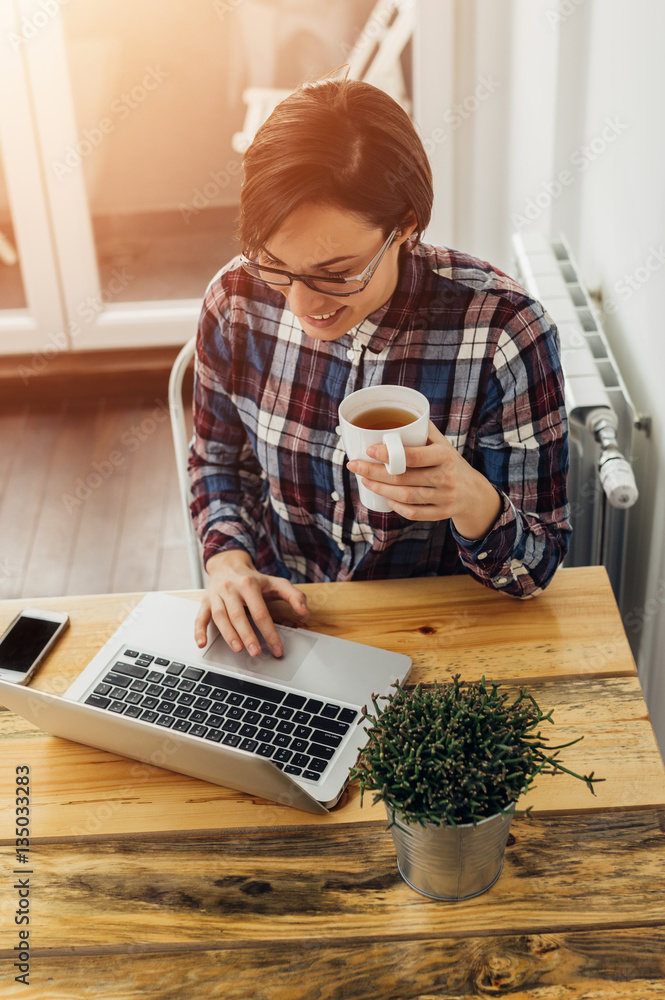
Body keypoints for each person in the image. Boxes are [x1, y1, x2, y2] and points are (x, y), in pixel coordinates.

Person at [189, 76, 571, 658]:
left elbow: (533, 569)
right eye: (275, 264)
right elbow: (218, 461)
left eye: (337, 273)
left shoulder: (503, 332)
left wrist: (473, 501)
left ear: (407, 228)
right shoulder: (237, 301)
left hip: (440, 639)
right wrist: (228, 561)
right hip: (283, 628)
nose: (302, 305)